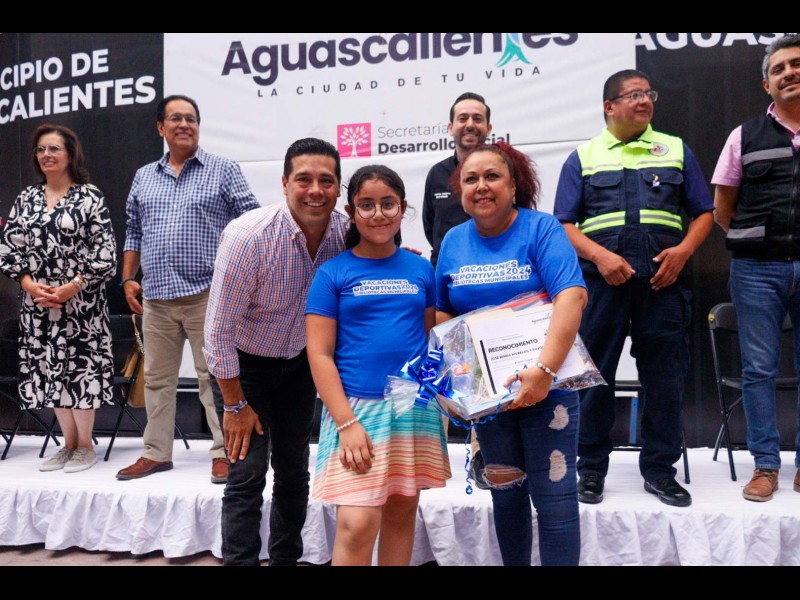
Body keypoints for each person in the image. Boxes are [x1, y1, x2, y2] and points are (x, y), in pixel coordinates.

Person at [554, 69, 714, 508]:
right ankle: (590, 470)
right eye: (635, 94)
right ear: (610, 106)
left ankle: (660, 471)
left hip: (663, 283)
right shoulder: (583, 156)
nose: (645, 101)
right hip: (602, 283)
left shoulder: (675, 149)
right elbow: (563, 224)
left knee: (665, 380)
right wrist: (601, 257)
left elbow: (704, 213)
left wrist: (683, 252)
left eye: (649, 93)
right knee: (593, 377)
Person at [436, 141, 587, 566]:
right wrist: (457, 380)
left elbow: (572, 297)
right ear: (461, 191)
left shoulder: (542, 229)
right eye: (471, 179)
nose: (481, 186)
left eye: (492, 176)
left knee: (556, 504)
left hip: (549, 391)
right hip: (492, 403)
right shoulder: (453, 240)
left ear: (514, 186)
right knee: (507, 499)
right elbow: (444, 313)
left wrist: (543, 370)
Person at [203, 138, 349, 567]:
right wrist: (235, 405)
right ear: (285, 183)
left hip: (302, 365)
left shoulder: (346, 233)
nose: (315, 190)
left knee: (293, 473)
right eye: (304, 179)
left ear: (338, 187)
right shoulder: (248, 237)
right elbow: (217, 333)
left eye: (326, 180)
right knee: (246, 475)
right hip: (244, 367)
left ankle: (286, 559)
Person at [306, 165, 450, 566]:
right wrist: (346, 423)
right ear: (351, 212)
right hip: (356, 411)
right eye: (366, 205)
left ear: (402, 207)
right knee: (357, 523)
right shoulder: (332, 273)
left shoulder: (421, 269)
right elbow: (319, 354)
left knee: (401, 512)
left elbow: (430, 340)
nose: (378, 214)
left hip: (412, 410)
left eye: (388, 204)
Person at [116, 94, 260, 484]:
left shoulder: (223, 169)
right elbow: (134, 230)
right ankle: (156, 452)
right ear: (160, 127)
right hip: (156, 297)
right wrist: (128, 278)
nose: (184, 124)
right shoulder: (144, 176)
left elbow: (251, 221)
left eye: (191, 118)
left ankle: (224, 452)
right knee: (157, 380)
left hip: (208, 294)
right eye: (176, 118)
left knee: (214, 379)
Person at [712, 34, 800, 502]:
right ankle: (765, 465)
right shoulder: (743, 136)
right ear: (767, 84)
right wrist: (758, 240)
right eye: (779, 68)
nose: (789, 73)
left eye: (796, 64)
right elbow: (722, 209)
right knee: (759, 369)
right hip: (756, 270)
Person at [0, 124, 116, 473]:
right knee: (50, 371)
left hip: (81, 305)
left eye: (54, 149)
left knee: (79, 371)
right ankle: (67, 444)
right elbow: (9, 249)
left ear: (70, 154)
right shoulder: (27, 198)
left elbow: (105, 252)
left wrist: (73, 286)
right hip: (38, 305)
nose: (46, 155)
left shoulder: (89, 196)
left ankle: (85, 446)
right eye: (40, 149)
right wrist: (29, 284)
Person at [422, 91, 493, 487]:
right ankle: (432, 455)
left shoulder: (501, 169)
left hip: (489, 286)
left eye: (477, 118)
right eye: (462, 118)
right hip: (447, 289)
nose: (470, 124)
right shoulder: (437, 174)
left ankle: (482, 455)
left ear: (488, 126)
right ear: (450, 127)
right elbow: (431, 229)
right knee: (447, 370)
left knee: (483, 375)